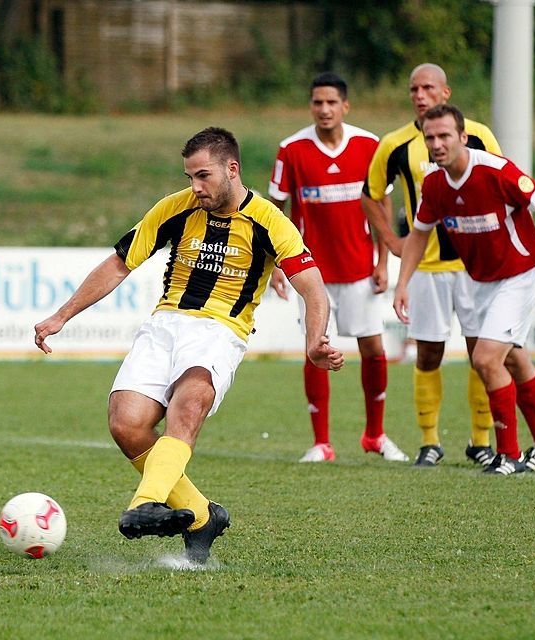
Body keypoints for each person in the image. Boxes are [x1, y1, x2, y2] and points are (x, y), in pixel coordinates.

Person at [33, 127, 345, 564]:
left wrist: (314, 342)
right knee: (126, 423)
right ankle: (202, 517)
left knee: (191, 397)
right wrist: (61, 316)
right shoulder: (175, 209)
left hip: (222, 330)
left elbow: (313, 288)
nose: (195, 187)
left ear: (232, 169)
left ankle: (146, 502)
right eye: (189, 177)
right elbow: (120, 263)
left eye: (203, 176)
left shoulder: (271, 222)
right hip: (165, 324)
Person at [393, 103, 535, 475]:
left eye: (444, 136)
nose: (436, 144)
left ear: (463, 137)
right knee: (513, 359)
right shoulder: (436, 184)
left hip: (522, 273)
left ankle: (509, 454)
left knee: (486, 359)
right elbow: (418, 235)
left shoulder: (496, 171)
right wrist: (403, 283)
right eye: (430, 138)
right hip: (483, 280)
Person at [361, 63, 501, 468]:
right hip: (426, 269)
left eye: (427, 88)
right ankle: (430, 441)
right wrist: (391, 241)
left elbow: (500, 182)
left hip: (476, 267)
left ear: (445, 92)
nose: (419, 95)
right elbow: (371, 194)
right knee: (428, 354)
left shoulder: (478, 135)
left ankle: (480, 440)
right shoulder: (395, 144)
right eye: (413, 89)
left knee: (481, 354)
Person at [267, 72, 407, 463]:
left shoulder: (369, 145)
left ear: (345, 105)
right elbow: (274, 212)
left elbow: (382, 205)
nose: (324, 109)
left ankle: (375, 436)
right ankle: (321, 443)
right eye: (317, 102)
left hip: (360, 267)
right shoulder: (291, 149)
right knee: (316, 349)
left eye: (332, 102)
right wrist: (278, 263)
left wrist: (383, 261)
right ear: (310, 106)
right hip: (310, 273)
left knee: (374, 348)